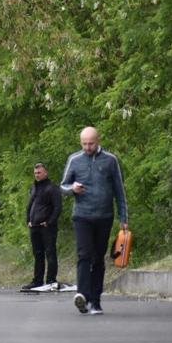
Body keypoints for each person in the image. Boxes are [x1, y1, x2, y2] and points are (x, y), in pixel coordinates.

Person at [60, 126, 128, 315]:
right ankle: (82, 294)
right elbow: (62, 186)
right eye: (84, 144)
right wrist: (72, 188)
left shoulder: (111, 160)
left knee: (98, 258)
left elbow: (119, 190)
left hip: (104, 216)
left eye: (91, 143)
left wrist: (124, 218)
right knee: (84, 254)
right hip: (82, 215)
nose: (87, 147)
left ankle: (95, 301)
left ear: (98, 141)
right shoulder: (74, 160)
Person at [22, 163, 63, 291]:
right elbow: (31, 205)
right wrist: (28, 220)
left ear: (46, 173)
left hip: (47, 227)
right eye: (35, 173)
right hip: (34, 226)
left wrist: (49, 222)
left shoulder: (52, 188)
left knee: (50, 253)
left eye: (39, 173)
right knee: (38, 254)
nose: (37, 175)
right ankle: (37, 280)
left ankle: (51, 280)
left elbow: (58, 207)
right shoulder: (34, 187)